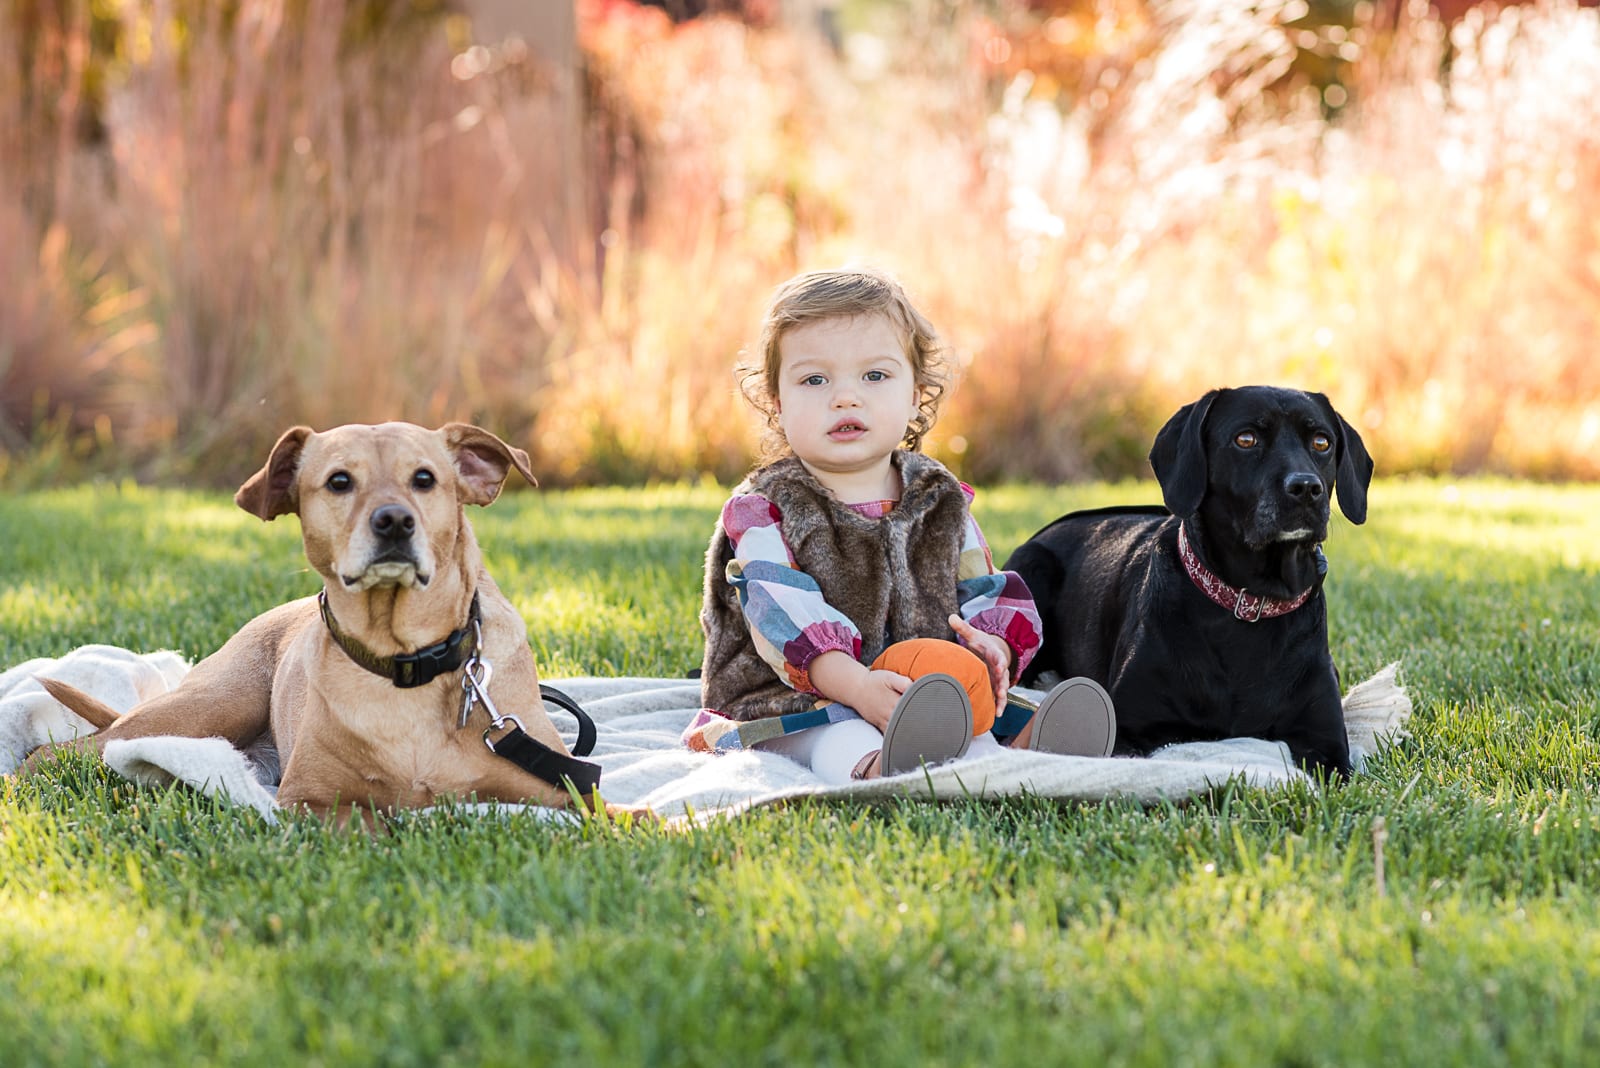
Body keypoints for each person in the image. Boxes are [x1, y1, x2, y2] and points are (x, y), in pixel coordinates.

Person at [685, 266, 1115, 782]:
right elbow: (781, 614)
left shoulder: (939, 498)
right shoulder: (763, 508)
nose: (845, 397)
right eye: (814, 379)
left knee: (985, 711)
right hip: (795, 692)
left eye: (875, 376)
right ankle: (878, 767)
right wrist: (860, 689)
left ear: (915, 394)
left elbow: (982, 583)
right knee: (838, 732)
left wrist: (992, 646)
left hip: (928, 689)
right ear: (778, 404)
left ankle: (1032, 745)